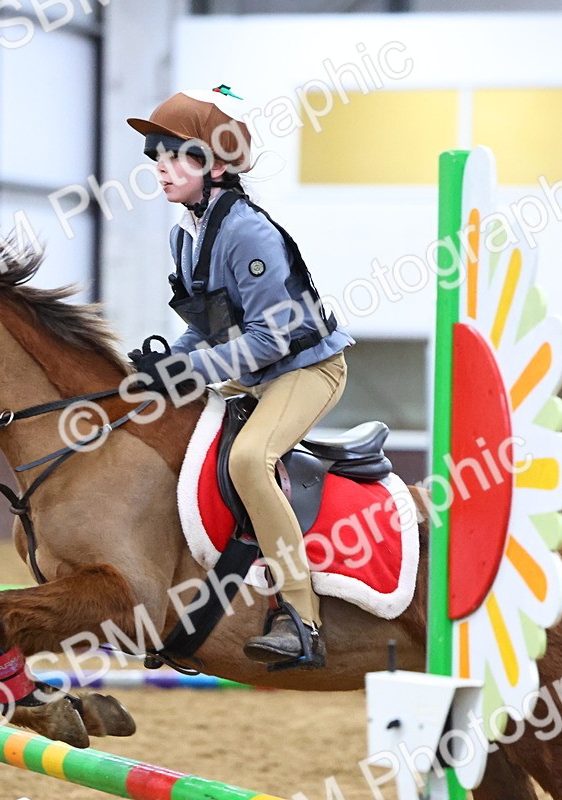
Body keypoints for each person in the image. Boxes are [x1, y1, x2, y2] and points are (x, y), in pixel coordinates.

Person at [126, 87, 354, 668]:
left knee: (249, 460)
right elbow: (206, 329)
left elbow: (270, 339)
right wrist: (160, 369)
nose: (160, 165)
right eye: (156, 152)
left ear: (217, 165)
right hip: (255, 373)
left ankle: (301, 619)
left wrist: (188, 368)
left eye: (177, 153)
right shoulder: (186, 233)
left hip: (306, 369)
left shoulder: (248, 232)